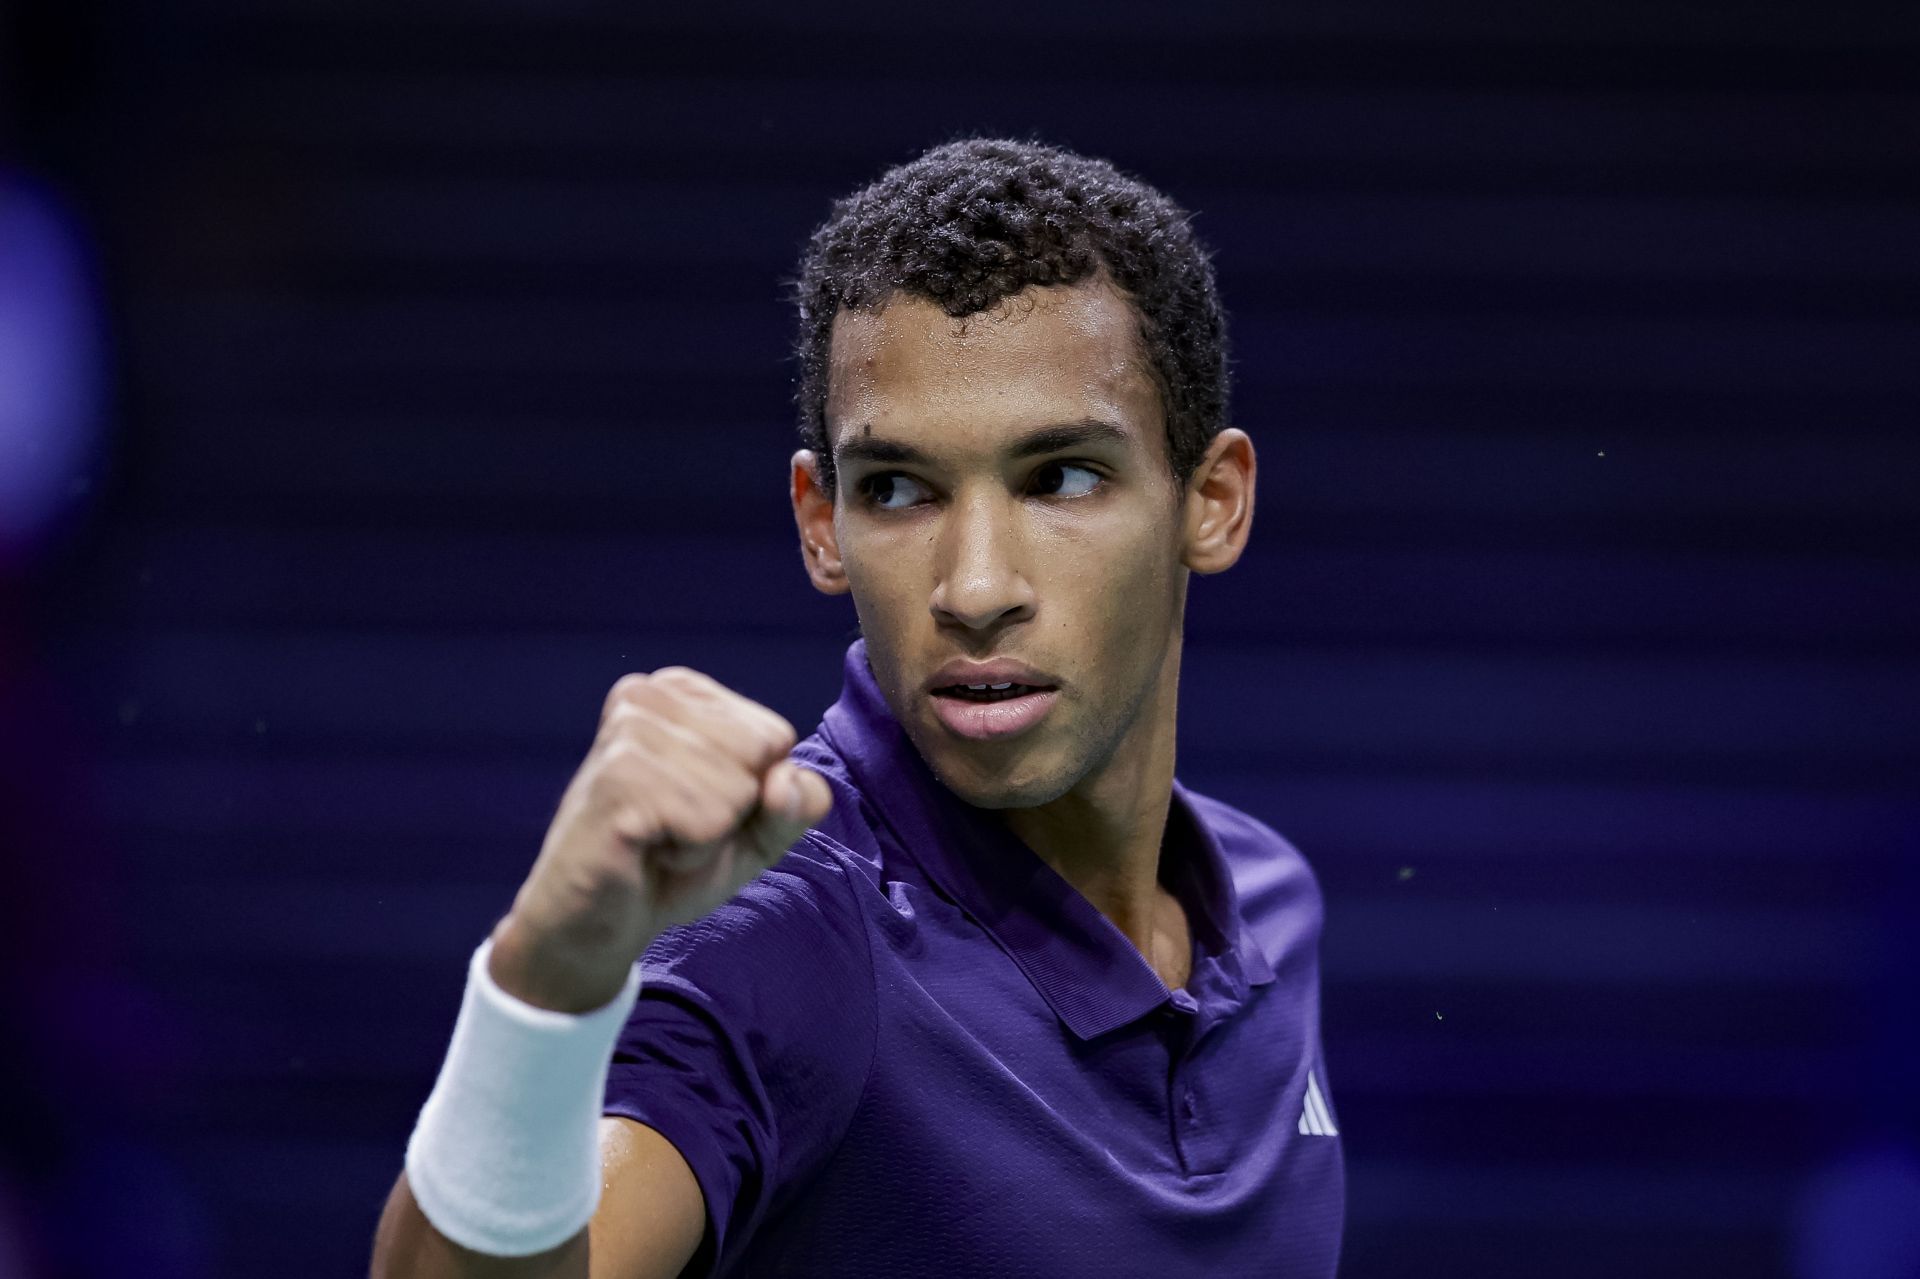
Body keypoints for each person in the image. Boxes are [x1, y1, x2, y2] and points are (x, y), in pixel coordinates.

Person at [369, 135, 1343, 1279]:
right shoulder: (782, 943)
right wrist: (544, 980)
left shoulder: (1268, 897)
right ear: (821, 521)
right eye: (897, 489)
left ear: (1212, 502)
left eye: (1062, 476)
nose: (975, 588)